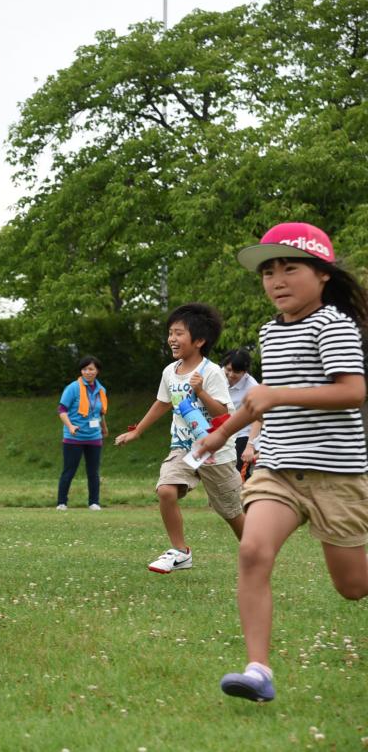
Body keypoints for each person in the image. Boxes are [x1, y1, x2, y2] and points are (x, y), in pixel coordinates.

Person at [193, 222, 368, 702]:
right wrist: (221, 435)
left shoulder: (333, 325)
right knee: (252, 551)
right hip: (279, 467)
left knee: (353, 587)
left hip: (337, 474)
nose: (277, 280)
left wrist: (278, 394)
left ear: (323, 275)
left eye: (290, 268)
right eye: (268, 272)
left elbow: (353, 391)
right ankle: (258, 670)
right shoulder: (270, 332)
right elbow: (260, 404)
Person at [114, 303, 245, 573]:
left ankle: (256, 552)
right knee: (165, 490)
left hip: (215, 451)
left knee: (231, 513)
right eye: (170, 332)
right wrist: (137, 431)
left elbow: (224, 416)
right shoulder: (169, 372)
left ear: (199, 340)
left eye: (179, 333)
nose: (172, 339)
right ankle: (180, 551)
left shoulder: (211, 373)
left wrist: (202, 392)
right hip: (184, 448)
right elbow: (163, 403)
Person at [55, 355, 108, 510]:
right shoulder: (73, 388)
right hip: (74, 437)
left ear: (97, 371)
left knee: (93, 472)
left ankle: (94, 502)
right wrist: (70, 426)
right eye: (84, 369)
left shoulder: (101, 390)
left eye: (91, 369)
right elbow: (62, 410)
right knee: (69, 471)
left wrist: (104, 427)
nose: (88, 372)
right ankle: (62, 503)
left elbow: (100, 412)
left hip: (94, 437)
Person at [221, 348, 260, 480]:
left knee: (237, 475)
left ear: (245, 371)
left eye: (236, 372)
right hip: (222, 431)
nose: (231, 374)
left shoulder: (252, 387)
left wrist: (250, 446)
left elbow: (258, 418)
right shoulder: (217, 376)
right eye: (228, 369)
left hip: (243, 433)